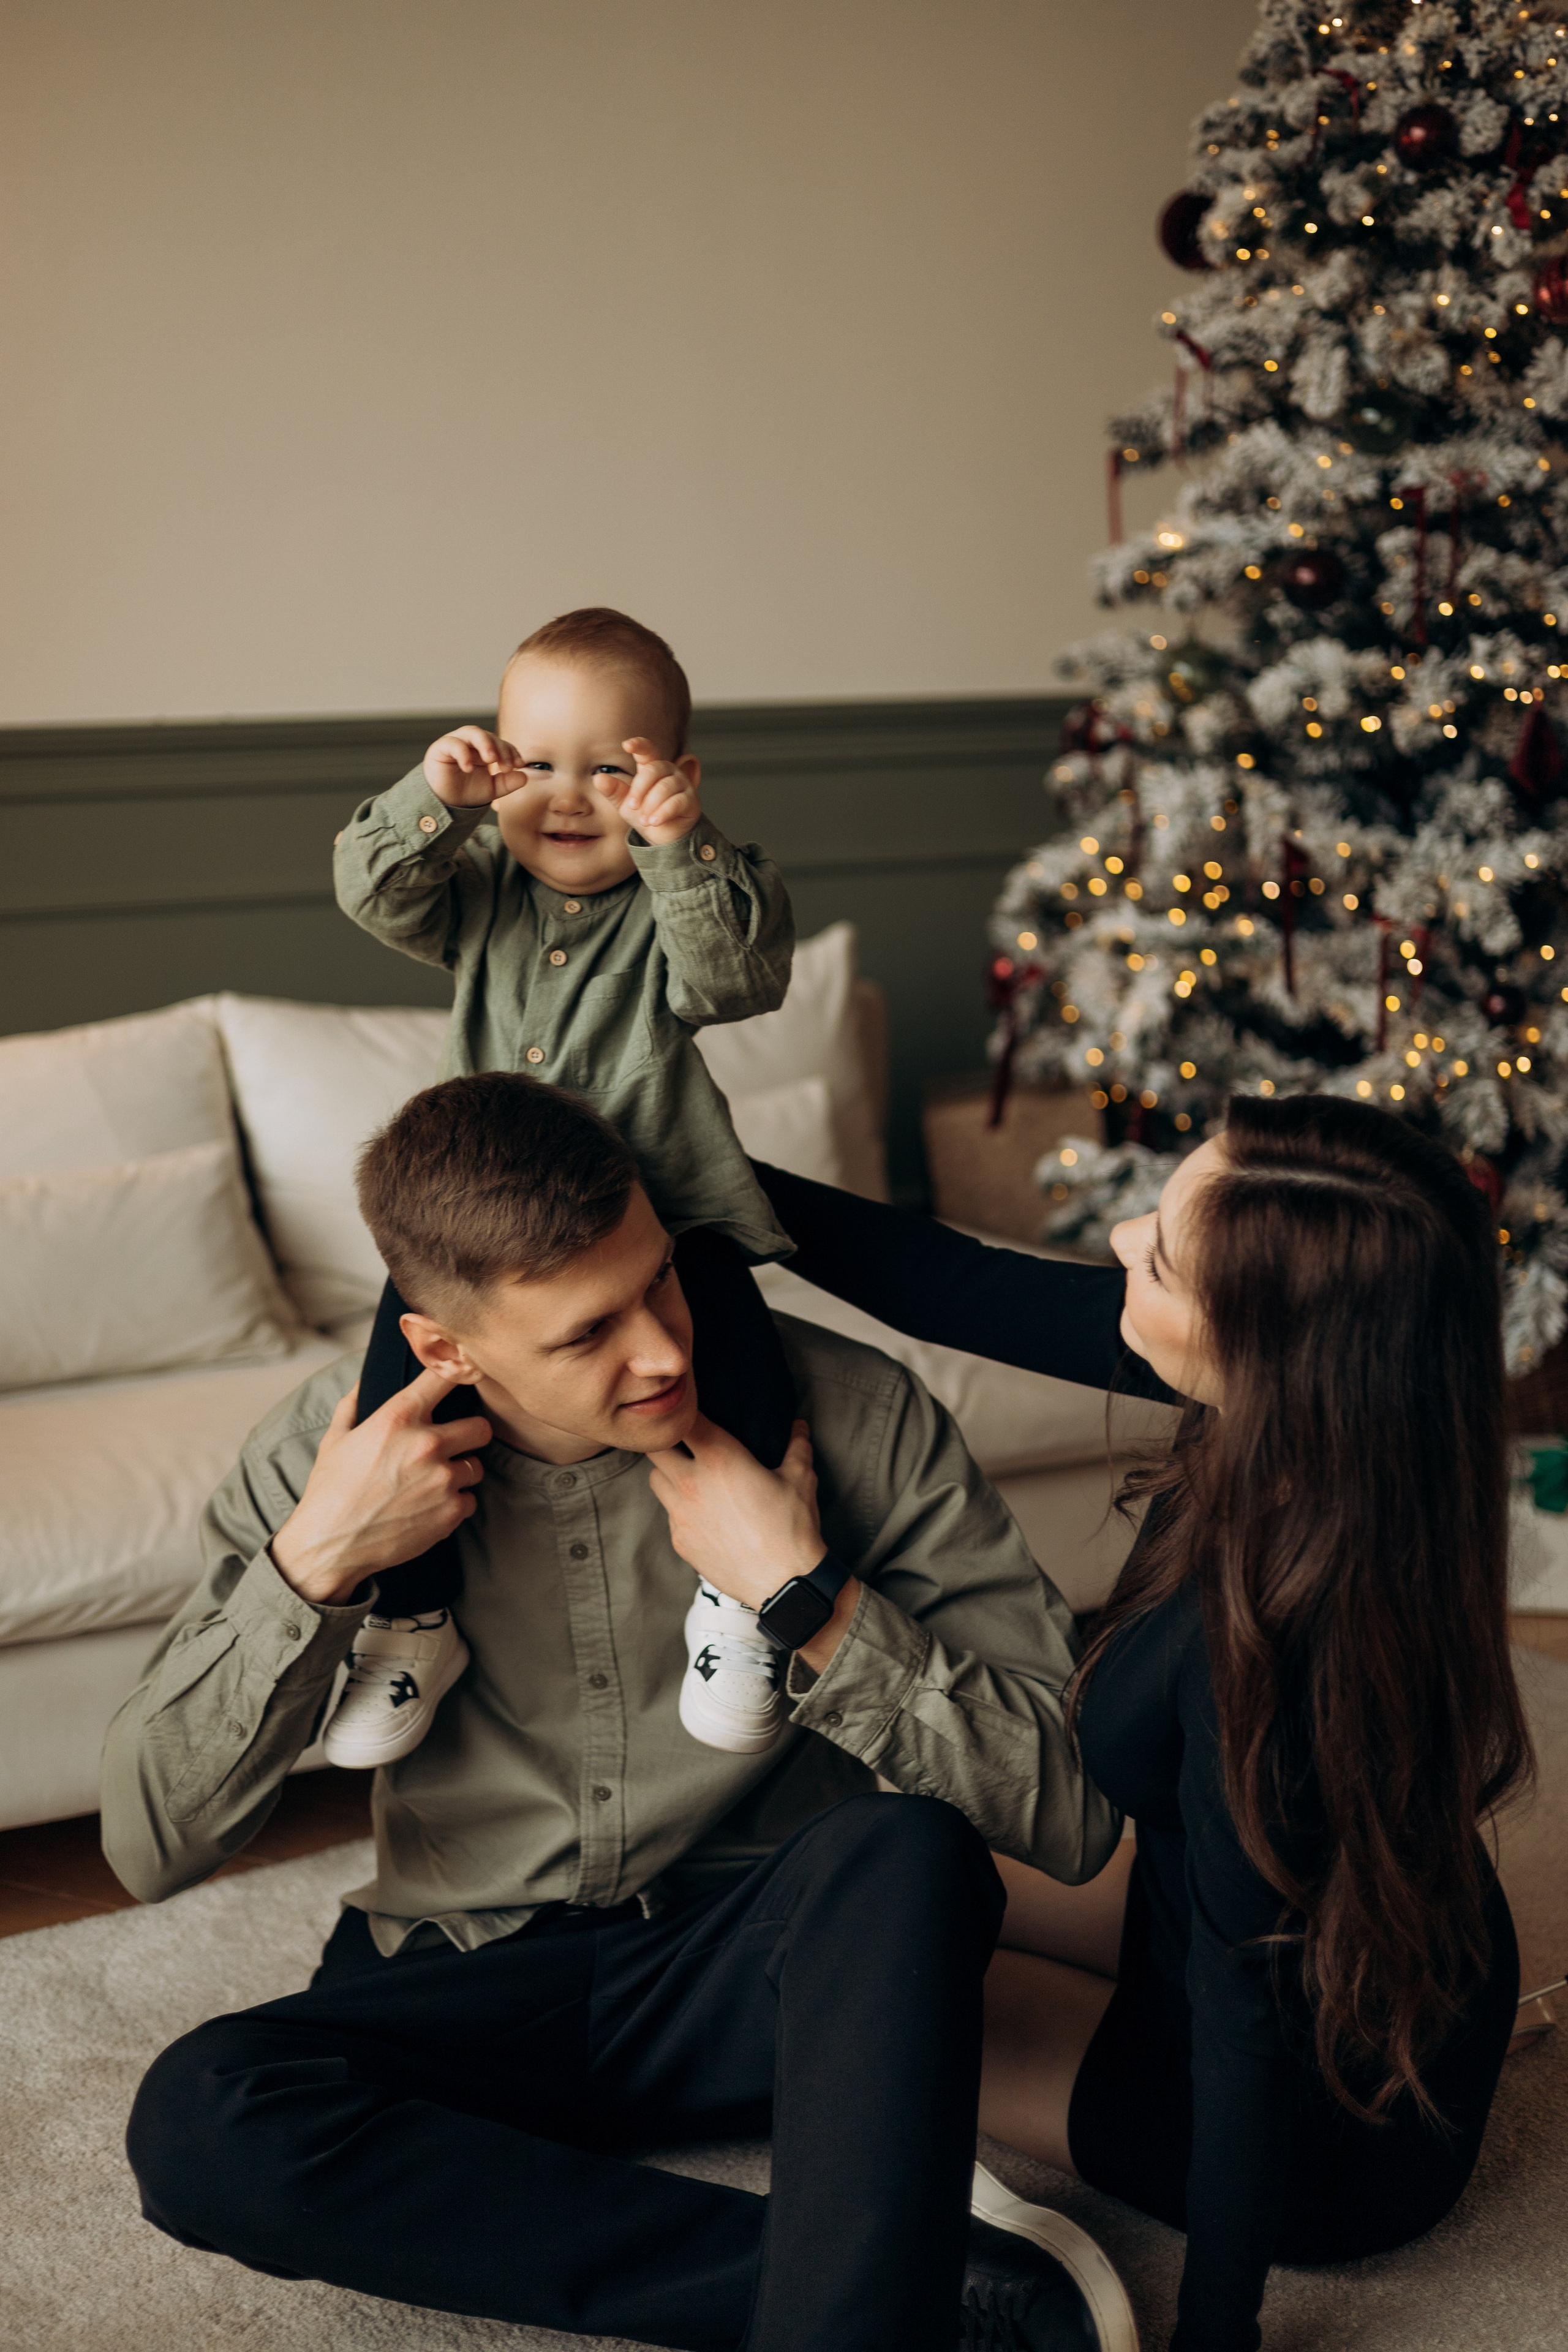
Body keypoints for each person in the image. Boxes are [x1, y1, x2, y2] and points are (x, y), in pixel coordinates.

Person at [104, 1070, 1131, 2352]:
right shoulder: (326, 1459)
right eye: (587, 1332)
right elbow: (149, 1844)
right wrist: (314, 1567)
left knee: (903, 1858)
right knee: (202, 2120)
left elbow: (1075, 1816)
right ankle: (928, 2279)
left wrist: (810, 1604)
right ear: (443, 1348)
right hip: (468, 1962)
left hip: (757, 1962)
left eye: (659, 1279)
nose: (660, 1347)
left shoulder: (853, 1415)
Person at [752, 1093, 1531, 2352]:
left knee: (847, 2010)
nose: (1116, 1239)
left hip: (1330, 2128)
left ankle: (1035, 2257)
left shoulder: (1264, 1666)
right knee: (876, 1888)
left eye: (1158, 1253)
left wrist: (1210, 2334)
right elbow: (955, 1283)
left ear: (1256, 1340)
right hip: (1323, 1939)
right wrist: (710, 1181)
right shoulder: (1328, 1417)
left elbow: (1241, 2038)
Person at [326, 605, 799, 1769]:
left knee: (740, 1367)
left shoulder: (686, 894)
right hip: (487, 1245)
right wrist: (434, 799)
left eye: (611, 768)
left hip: (664, 1218)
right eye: (535, 764)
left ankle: (742, 1604)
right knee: (405, 1387)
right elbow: (371, 894)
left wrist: (679, 850)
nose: (569, 796)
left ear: (675, 777)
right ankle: (412, 1617)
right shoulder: (478, 882)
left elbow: (738, 980)